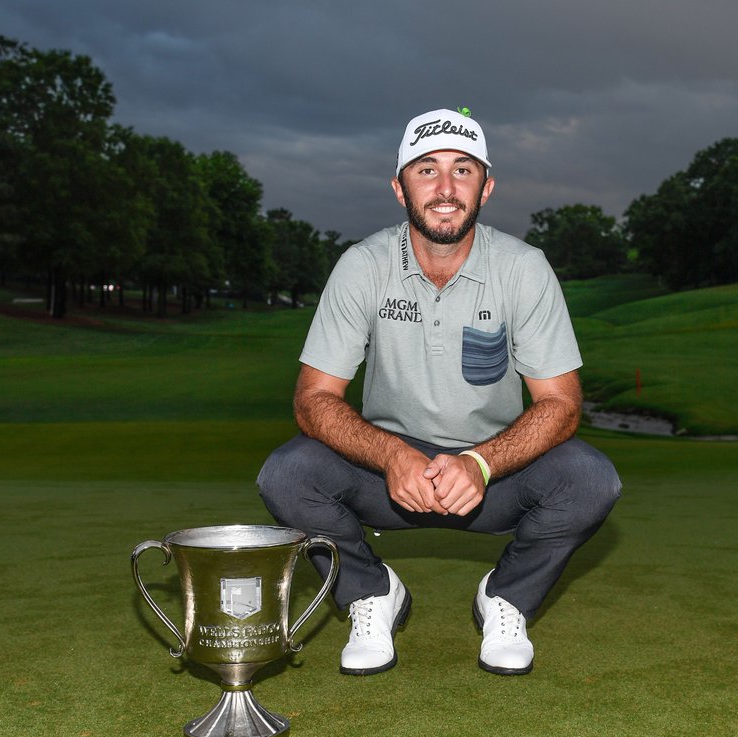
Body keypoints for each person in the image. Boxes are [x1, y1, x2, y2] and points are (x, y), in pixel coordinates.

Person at [257, 107, 621, 677]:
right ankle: (369, 595)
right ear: (400, 187)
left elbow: (561, 404)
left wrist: (478, 464)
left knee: (591, 478)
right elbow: (313, 398)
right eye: (426, 170)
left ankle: (507, 599)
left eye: (463, 170)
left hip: (492, 473)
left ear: (487, 186)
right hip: (387, 475)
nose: (446, 188)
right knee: (286, 474)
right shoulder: (362, 266)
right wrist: (390, 453)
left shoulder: (524, 268)